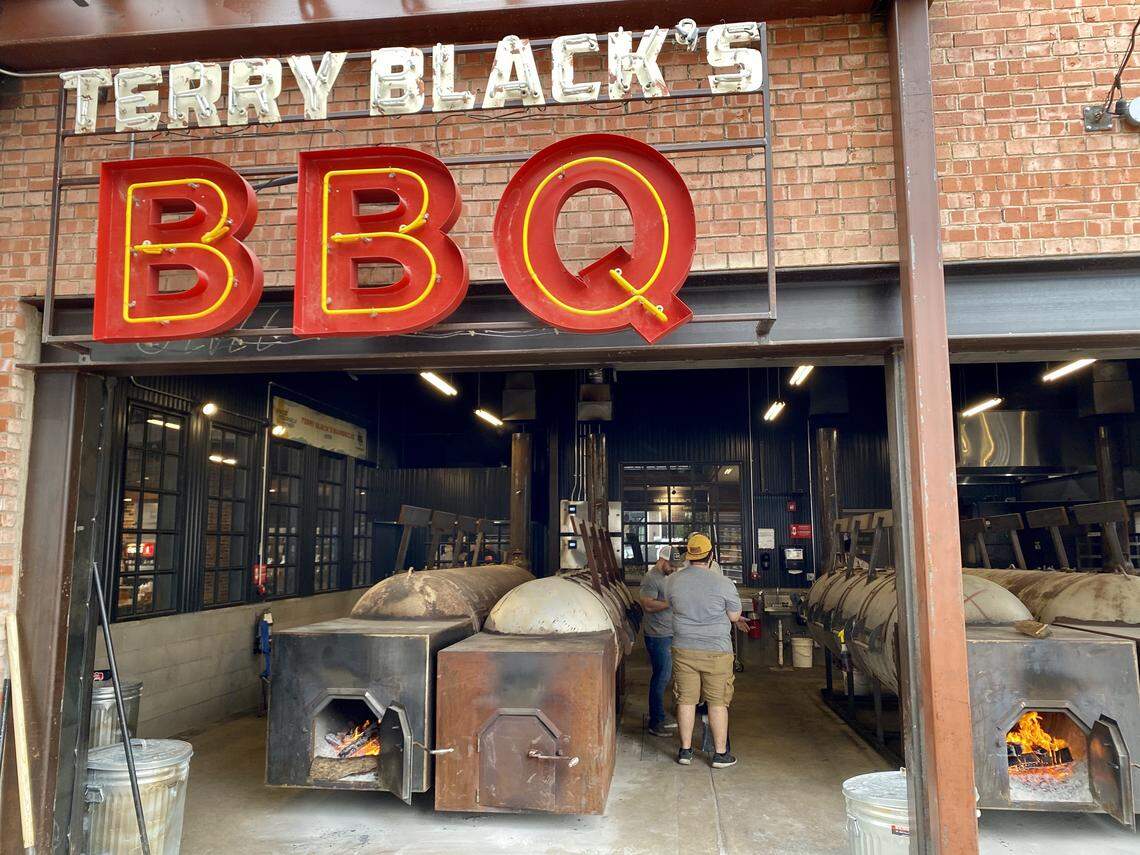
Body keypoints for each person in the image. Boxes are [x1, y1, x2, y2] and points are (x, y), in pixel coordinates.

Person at [667, 532, 749, 768]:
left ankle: (685, 751)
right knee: (717, 702)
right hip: (716, 651)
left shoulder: (673, 581)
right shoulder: (724, 583)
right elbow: (734, 616)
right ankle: (720, 754)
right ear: (711, 555)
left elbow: (672, 605)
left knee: (686, 700)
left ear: (688, 556)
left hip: (684, 647)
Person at [638, 544, 682, 737]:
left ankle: (659, 716)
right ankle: (655, 722)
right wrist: (670, 603)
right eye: (671, 565)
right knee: (661, 677)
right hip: (658, 635)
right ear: (662, 560)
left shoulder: (668, 576)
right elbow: (647, 605)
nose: (674, 569)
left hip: (669, 632)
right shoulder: (651, 578)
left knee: (665, 676)